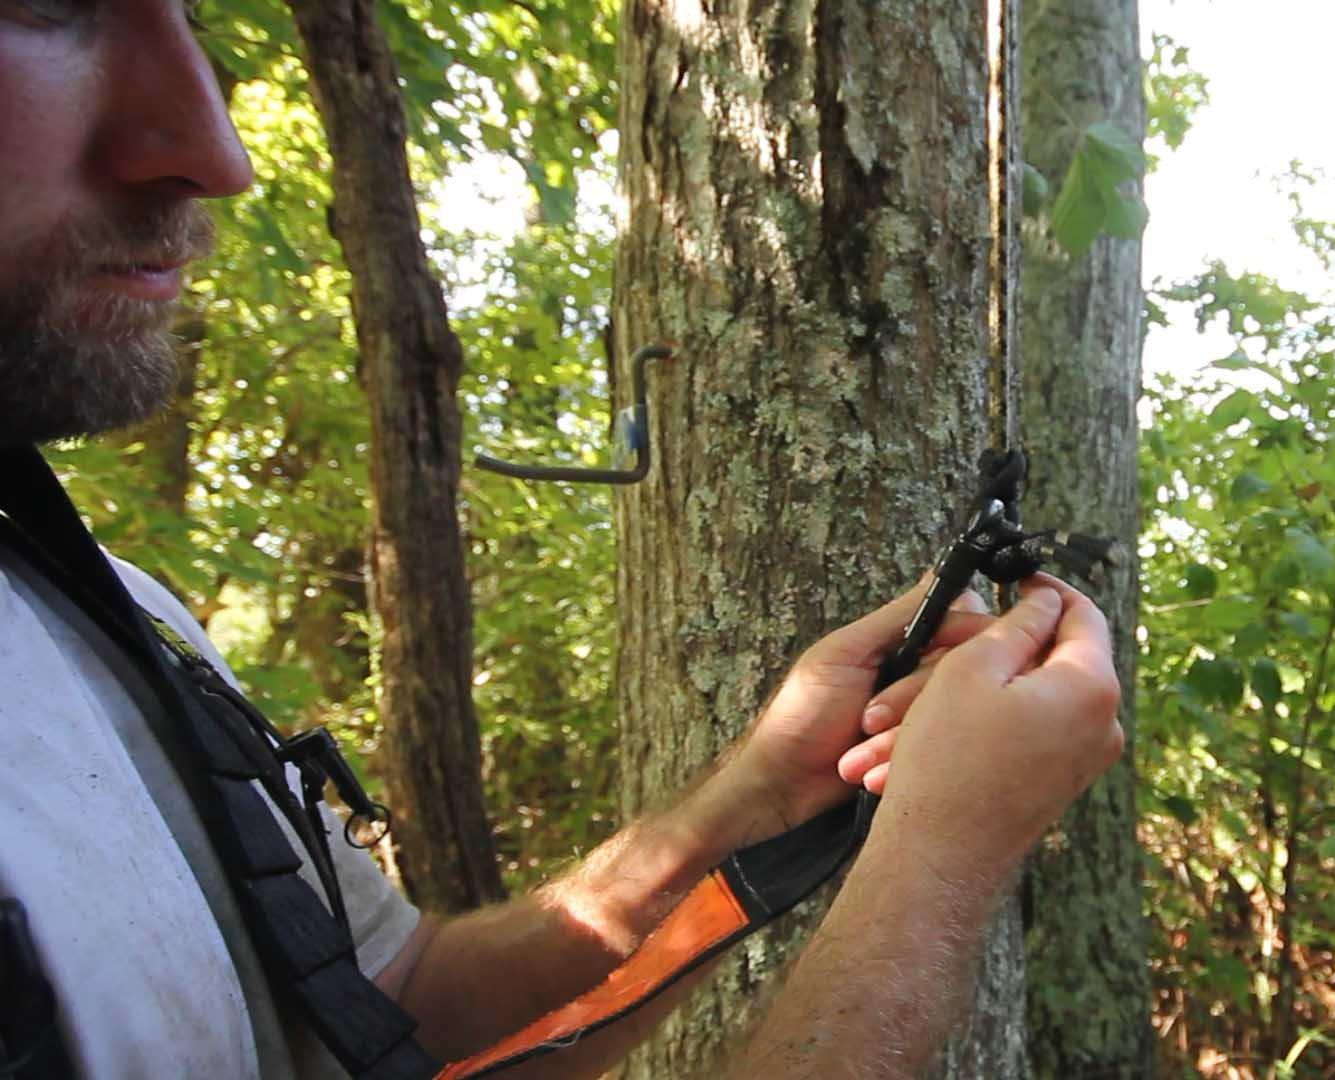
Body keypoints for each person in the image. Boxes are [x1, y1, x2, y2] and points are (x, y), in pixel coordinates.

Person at [0, 2, 1126, 1077]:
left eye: (191, 14)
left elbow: (394, 1018)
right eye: (46, 6)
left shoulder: (109, 612)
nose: (215, 146)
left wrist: (767, 790)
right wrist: (939, 859)